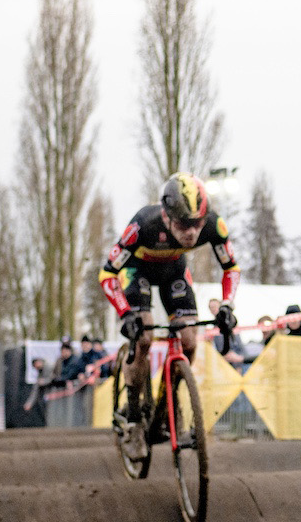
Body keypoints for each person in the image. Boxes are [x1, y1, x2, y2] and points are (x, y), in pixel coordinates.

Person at [98, 173, 241, 456]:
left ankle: (169, 402)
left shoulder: (214, 224)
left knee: (189, 340)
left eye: (198, 224)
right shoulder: (142, 225)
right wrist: (125, 313)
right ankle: (135, 418)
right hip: (135, 273)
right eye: (184, 224)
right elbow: (107, 273)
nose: (192, 232)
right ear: (166, 217)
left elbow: (231, 268)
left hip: (173, 273)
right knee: (145, 337)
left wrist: (227, 305)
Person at [207, 297, 248, 366]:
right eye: (211, 307)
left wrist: (238, 358)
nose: (213, 309)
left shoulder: (230, 324)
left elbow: (240, 347)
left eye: (215, 306)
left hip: (235, 362)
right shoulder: (213, 330)